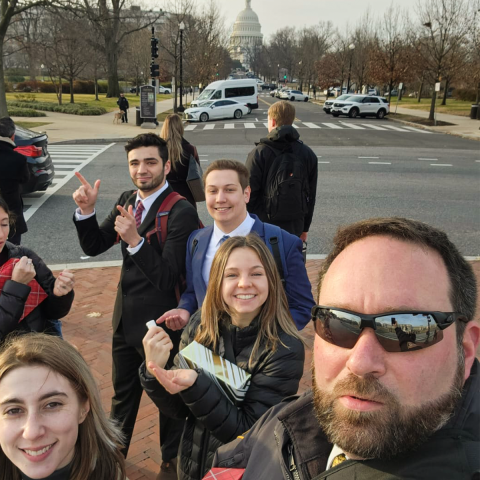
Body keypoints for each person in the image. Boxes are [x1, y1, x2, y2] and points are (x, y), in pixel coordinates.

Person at [212, 217, 480, 479]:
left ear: (465, 349)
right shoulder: (287, 419)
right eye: (338, 323)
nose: (360, 363)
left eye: (405, 331)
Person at [72, 133, 199, 476]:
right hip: (125, 321)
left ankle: (171, 463)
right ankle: (112, 463)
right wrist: (86, 212)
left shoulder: (180, 210)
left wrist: (134, 240)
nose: (142, 170)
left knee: (167, 400)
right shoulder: (129, 199)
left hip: (163, 326)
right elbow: (96, 245)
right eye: (135, 163)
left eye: (150, 162)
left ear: (166, 165)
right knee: (122, 397)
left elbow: (168, 277)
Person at [140, 234, 305, 480]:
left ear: (271, 279)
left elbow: (248, 433)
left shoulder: (284, 348)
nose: (244, 283)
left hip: (237, 472)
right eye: (232, 275)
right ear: (217, 281)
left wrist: (196, 383)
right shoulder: (200, 325)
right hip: (190, 466)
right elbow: (177, 410)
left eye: (256, 274)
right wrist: (155, 369)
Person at [158, 159, 315, 332]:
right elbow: (193, 291)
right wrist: (184, 309)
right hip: (211, 350)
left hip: (260, 353)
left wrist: (265, 337)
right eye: (212, 191)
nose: (220, 199)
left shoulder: (283, 243)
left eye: (229, 190)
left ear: (246, 194)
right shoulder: (196, 240)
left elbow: (302, 306)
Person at [0, 333, 126, 480]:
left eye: (52, 404)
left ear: (83, 408)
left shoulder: (111, 474)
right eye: (14, 410)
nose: (32, 432)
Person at [0, 196, 74, 343]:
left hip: (38, 353)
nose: (1, 235)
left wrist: (59, 294)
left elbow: (52, 313)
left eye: (4, 224)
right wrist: (16, 286)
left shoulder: (22, 256)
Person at [245, 100, 318, 241]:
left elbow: (248, 194)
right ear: (292, 120)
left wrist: (248, 227)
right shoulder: (308, 154)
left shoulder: (259, 153)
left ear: (272, 121)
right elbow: (311, 196)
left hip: (263, 227)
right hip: (295, 226)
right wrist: (304, 229)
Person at [0, 116, 30, 245]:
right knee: (12, 249)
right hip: (10, 210)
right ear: (12, 136)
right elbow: (25, 179)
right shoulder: (18, 159)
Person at [160, 114, 201, 208]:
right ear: (180, 128)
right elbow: (196, 173)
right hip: (186, 195)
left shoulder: (159, 149)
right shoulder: (190, 149)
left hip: (164, 194)